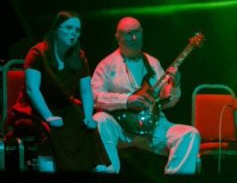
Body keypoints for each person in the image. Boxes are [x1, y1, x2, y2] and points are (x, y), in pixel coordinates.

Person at [90, 16, 200, 174]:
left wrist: (174, 85)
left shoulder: (153, 62)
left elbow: (167, 101)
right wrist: (126, 101)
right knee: (99, 120)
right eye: (129, 34)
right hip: (121, 127)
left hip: (152, 126)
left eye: (137, 32)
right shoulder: (107, 65)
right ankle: (108, 171)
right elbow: (95, 96)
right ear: (118, 37)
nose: (134, 38)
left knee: (189, 134)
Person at [6, 11, 110, 172]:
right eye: (68, 28)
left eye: (77, 30)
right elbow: (32, 89)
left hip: (64, 107)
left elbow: (86, 91)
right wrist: (48, 116)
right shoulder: (38, 53)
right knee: (49, 131)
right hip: (34, 109)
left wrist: (89, 116)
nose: (73, 33)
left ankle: (93, 167)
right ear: (56, 29)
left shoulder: (79, 56)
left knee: (86, 127)